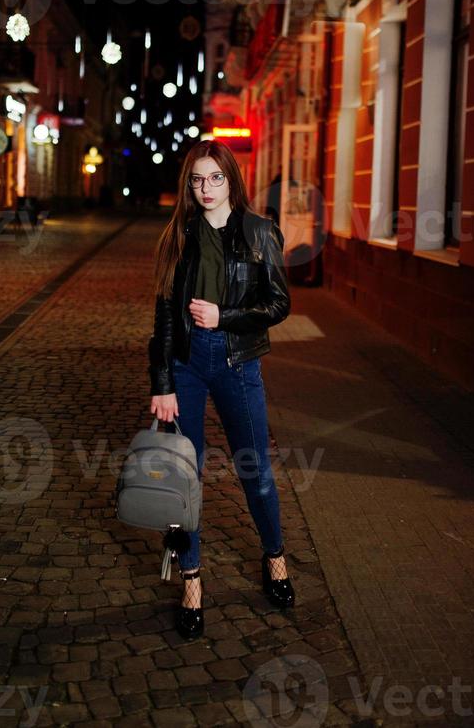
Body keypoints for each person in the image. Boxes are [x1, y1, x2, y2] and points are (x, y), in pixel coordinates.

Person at [148, 139, 295, 641]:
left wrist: (224, 315)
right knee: (184, 480)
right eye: (196, 180)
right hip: (187, 366)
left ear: (231, 180)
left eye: (215, 178)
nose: (206, 188)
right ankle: (191, 581)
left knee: (254, 469)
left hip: (238, 363)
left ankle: (275, 558)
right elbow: (165, 318)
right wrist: (163, 382)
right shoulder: (179, 236)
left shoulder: (259, 232)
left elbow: (278, 304)